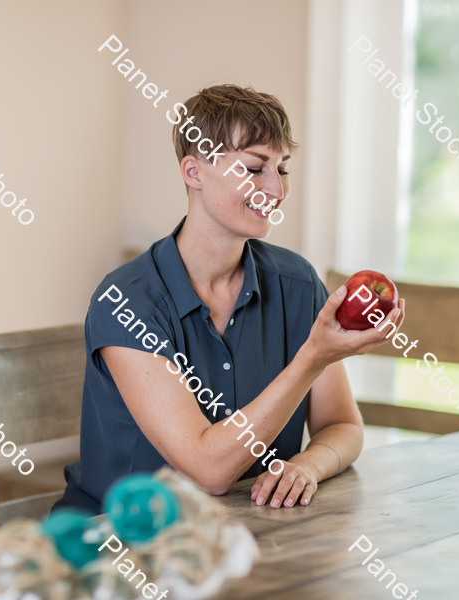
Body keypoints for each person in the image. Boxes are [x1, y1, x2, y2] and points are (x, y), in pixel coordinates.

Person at [55, 84, 406, 515]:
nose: (276, 190)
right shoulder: (126, 302)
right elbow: (209, 469)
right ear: (194, 172)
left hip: (252, 529)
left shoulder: (296, 283)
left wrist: (308, 466)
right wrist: (313, 358)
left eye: (283, 168)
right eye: (255, 168)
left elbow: (342, 425)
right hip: (124, 544)